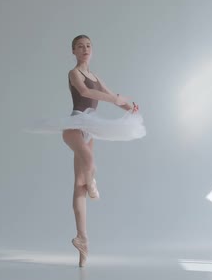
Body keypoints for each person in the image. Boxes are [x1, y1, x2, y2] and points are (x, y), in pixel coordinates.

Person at [25, 35, 145, 267]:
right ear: (74, 51)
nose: (85, 49)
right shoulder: (75, 74)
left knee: (79, 183)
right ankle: (92, 185)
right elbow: (86, 93)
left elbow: (112, 98)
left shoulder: (96, 76)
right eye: (80, 46)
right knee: (89, 161)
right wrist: (115, 97)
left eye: (88, 46)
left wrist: (129, 106)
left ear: (92, 50)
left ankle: (82, 239)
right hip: (75, 125)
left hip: (90, 128)